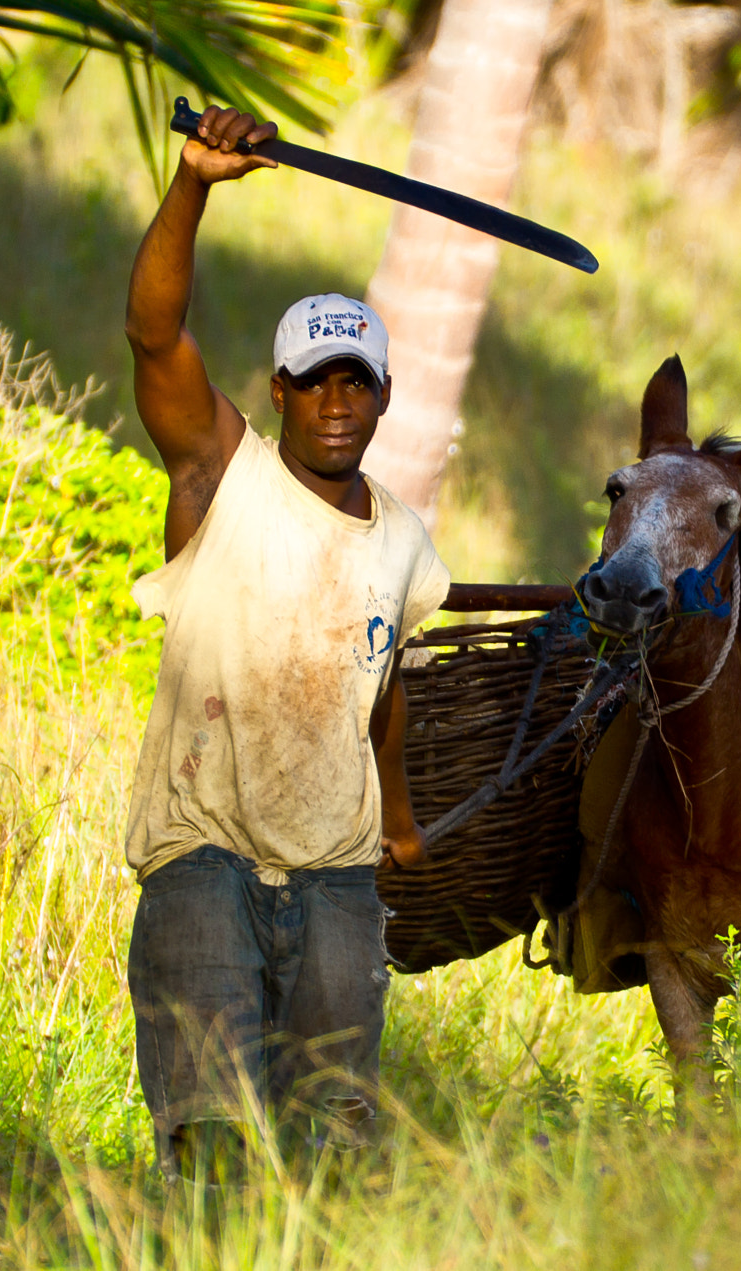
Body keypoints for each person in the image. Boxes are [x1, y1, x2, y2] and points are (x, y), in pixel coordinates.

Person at [119, 105, 449, 1176]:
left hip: (337, 890)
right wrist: (195, 185)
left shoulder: (404, 540)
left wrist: (397, 820)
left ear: (385, 395)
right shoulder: (222, 474)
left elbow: (381, 688)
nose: (335, 402)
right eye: (314, 380)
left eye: (356, 380)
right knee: (218, 1150)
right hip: (205, 863)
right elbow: (153, 335)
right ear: (278, 391)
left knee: (331, 1159)